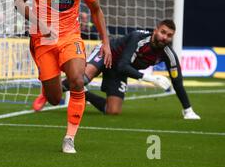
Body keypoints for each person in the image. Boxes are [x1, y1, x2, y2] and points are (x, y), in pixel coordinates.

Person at [14, 0, 112, 154]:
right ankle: (49, 87)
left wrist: (105, 42)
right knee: (55, 98)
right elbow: (18, 1)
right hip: (43, 40)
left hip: (70, 37)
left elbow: (96, 10)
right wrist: (38, 22)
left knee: (78, 80)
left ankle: (69, 138)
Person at [33, 19, 201, 120]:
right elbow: (123, 64)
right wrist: (149, 78)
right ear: (156, 30)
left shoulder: (168, 54)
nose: (164, 37)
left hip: (119, 71)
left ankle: (76, 91)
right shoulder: (138, 38)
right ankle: (47, 93)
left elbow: (177, 82)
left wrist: (188, 110)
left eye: (169, 35)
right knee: (83, 78)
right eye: (163, 32)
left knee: (112, 111)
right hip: (107, 53)